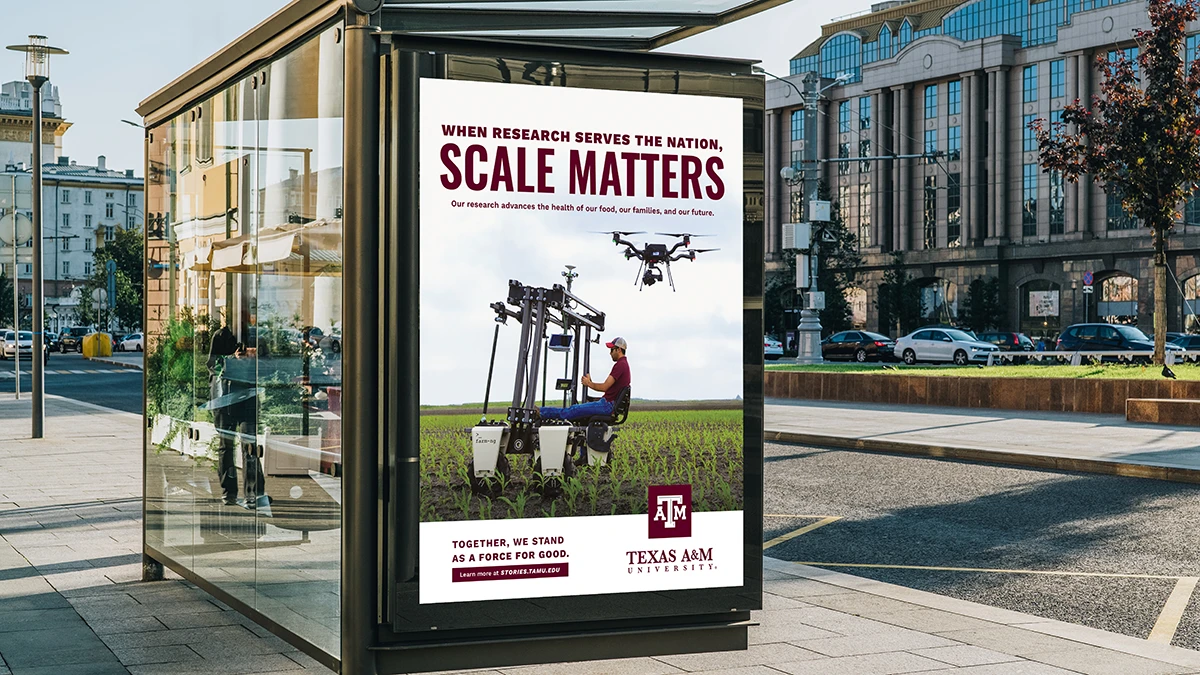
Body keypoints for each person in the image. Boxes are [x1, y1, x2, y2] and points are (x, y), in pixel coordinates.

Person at [540, 337, 631, 421]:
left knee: (573, 410)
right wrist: (590, 382)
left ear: (619, 350)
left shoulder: (620, 365)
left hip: (607, 405)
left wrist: (588, 383)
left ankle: (540, 412)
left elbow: (604, 387)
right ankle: (541, 411)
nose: (610, 353)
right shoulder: (624, 364)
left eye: (612, 350)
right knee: (574, 409)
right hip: (608, 404)